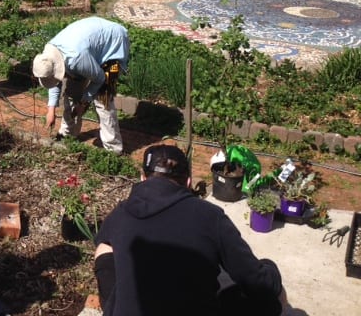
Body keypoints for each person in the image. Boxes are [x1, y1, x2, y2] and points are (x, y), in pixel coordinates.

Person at [94, 143, 288, 316]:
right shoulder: (210, 216)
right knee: (271, 297)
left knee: (104, 247)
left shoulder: (120, 214)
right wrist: (271, 271)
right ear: (187, 181)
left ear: (143, 177)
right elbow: (255, 281)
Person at [32, 16, 129, 154]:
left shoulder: (76, 59)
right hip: (89, 46)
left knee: (103, 99)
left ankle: (113, 150)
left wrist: (84, 102)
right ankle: (68, 135)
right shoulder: (48, 56)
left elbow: (100, 79)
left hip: (113, 43)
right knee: (72, 95)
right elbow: (54, 80)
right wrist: (51, 110)